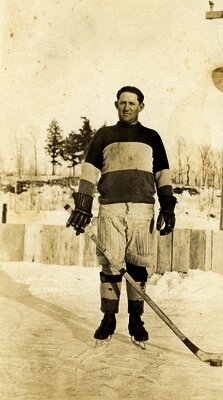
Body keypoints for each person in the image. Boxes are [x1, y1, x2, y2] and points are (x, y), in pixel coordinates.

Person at [66, 86, 177, 343]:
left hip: (142, 209)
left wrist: (168, 206)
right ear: (116, 104)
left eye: (132, 103)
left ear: (141, 106)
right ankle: (109, 317)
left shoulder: (152, 137)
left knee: (138, 264)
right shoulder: (104, 135)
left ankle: (136, 319)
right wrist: (83, 204)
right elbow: (90, 170)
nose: (127, 107)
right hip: (111, 208)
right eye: (122, 103)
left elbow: (162, 174)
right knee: (111, 264)